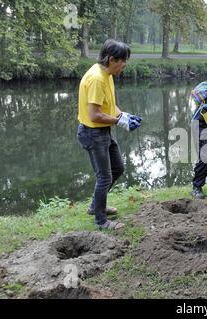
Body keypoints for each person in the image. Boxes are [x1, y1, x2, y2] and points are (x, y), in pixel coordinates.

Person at [77, 39, 142, 230]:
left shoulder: (107, 75)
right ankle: (100, 220)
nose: (124, 65)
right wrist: (119, 122)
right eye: (123, 61)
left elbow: (109, 105)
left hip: (102, 131)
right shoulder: (97, 79)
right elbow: (94, 115)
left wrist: (124, 115)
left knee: (118, 168)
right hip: (92, 133)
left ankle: (96, 205)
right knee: (104, 177)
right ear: (112, 59)